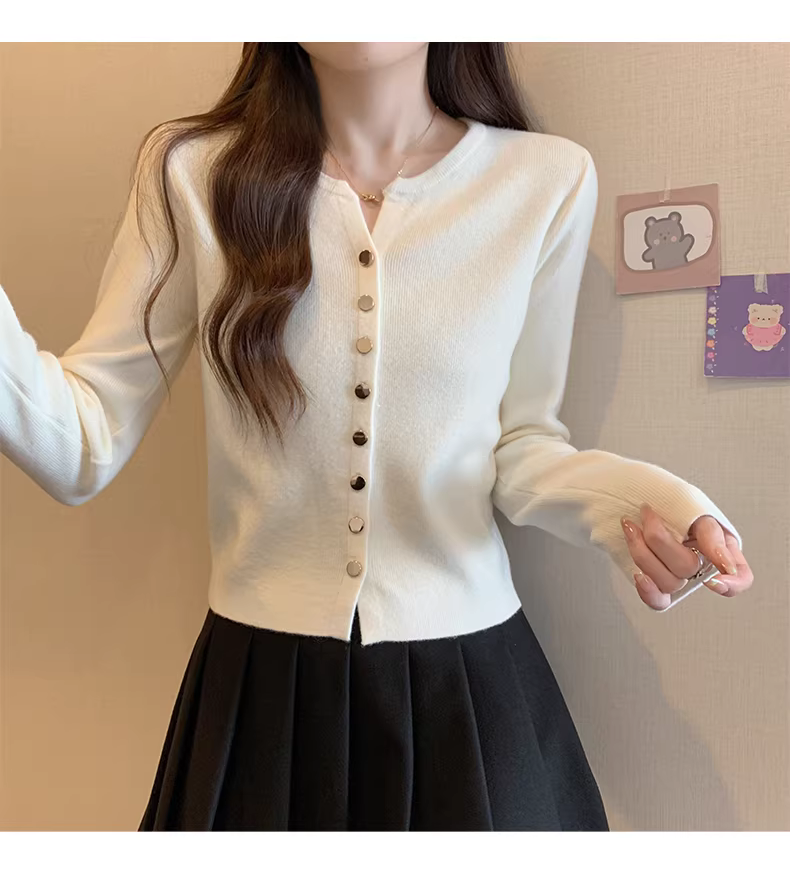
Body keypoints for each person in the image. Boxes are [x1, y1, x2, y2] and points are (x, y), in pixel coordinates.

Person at [0, 42, 753, 831]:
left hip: (469, 691)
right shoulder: (192, 173)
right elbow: (81, 445)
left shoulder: (546, 181)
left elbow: (524, 446)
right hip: (261, 699)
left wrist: (655, 508)